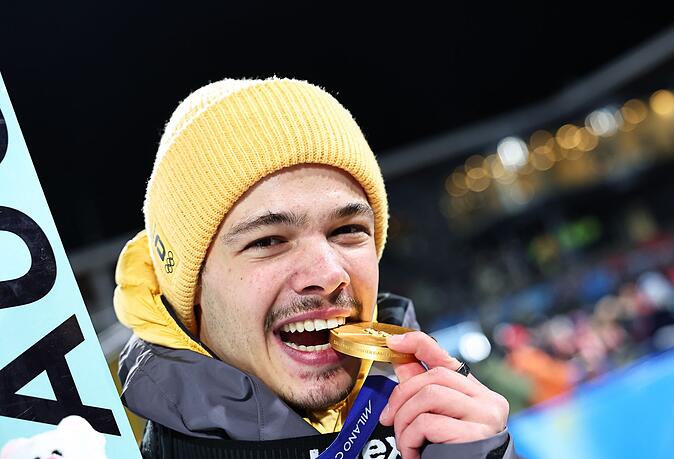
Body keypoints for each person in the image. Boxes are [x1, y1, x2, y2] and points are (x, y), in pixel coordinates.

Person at [114, 78, 514, 458]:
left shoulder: (452, 432)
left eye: (346, 231)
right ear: (192, 288)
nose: (327, 274)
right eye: (268, 241)